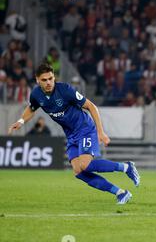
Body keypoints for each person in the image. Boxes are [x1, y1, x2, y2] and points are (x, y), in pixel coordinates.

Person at [8, 61, 140, 204]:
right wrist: (21, 121)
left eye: (51, 78)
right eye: (44, 80)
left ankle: (126, 167)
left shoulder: (65, 90)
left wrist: (100, 132)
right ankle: (120, 193)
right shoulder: (36, 94)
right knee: (79, 171)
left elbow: (91, 106)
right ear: (37, 80)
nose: (48, 82)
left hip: (85, 128)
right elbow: (32, 108)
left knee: (85, 165)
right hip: (71, 135)